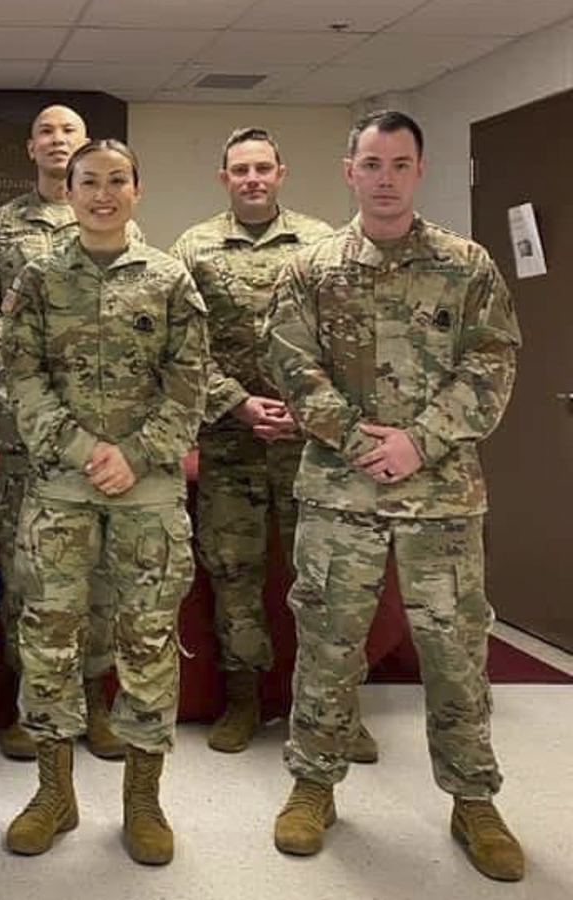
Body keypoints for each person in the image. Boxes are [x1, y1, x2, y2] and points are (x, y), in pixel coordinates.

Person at [265, 110, 525, 882]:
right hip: (339, 494)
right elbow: (292, 367)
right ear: (349, 171)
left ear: (420, 171)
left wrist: (420, 440)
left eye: (400, 164)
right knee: (327, 642)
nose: (385, 179)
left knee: (455, 651)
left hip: (440, 496)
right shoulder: (310, 268)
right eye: (372, 164)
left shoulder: (466, 266)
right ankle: (314, 784)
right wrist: (357, 439)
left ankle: (473, 798)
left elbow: (493, 366)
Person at [2, 140, 208, 865]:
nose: (101, 193)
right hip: (62, 487)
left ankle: (143, 800)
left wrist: (137, 454)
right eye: (88, 181)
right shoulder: (38, 277)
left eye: (117, 180)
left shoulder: (169, 279)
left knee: (148, 641)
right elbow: (21, 377)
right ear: (68, 191)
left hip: (146, 493)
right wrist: (81, 446)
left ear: (136, 191)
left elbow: (189, 383)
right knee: (50, 641)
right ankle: (53, 794)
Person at [172, 127, 378, 760]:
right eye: (241, 169)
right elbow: (180, 348)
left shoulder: (322, 242)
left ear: (281, 173)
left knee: (325, 579)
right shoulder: (194, 248)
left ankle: (337, 711)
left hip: (309, 446)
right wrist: (236, 402)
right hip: (230, 443)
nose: (253, 178)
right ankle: (243, 701)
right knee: (233, 571)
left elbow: (347, 341)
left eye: (263, 167)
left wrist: (308, 409)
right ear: (224, 178)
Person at [0, 104, 132, 760]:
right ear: (30, 147)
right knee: (27, 568)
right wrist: (32, 393)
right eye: (47, 132)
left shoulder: (117, 224)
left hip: (101, 436)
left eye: (70, 132)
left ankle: (94, 698)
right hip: (26, 436)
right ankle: (31, 703)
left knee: (98, 571)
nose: (58, 140)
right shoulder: (1, 228)